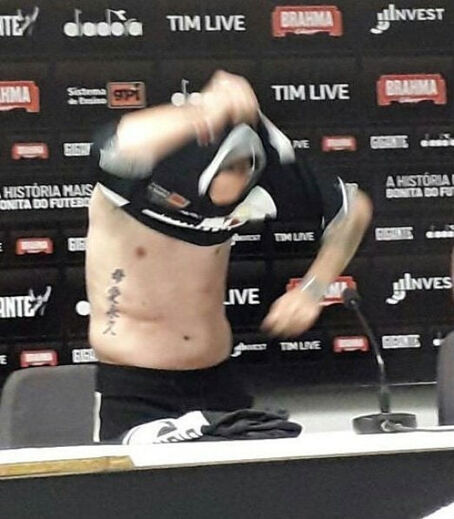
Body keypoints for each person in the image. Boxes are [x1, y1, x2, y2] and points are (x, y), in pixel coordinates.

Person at [86, 70, 372, 442]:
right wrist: (207, 109)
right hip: (135, 386)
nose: (236, 188)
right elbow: (110, 147)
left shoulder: (269, 162)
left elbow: (353, 210)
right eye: (229, 171)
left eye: (245, 173)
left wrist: (311, 291)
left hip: (217, 379)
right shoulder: (147, 166)